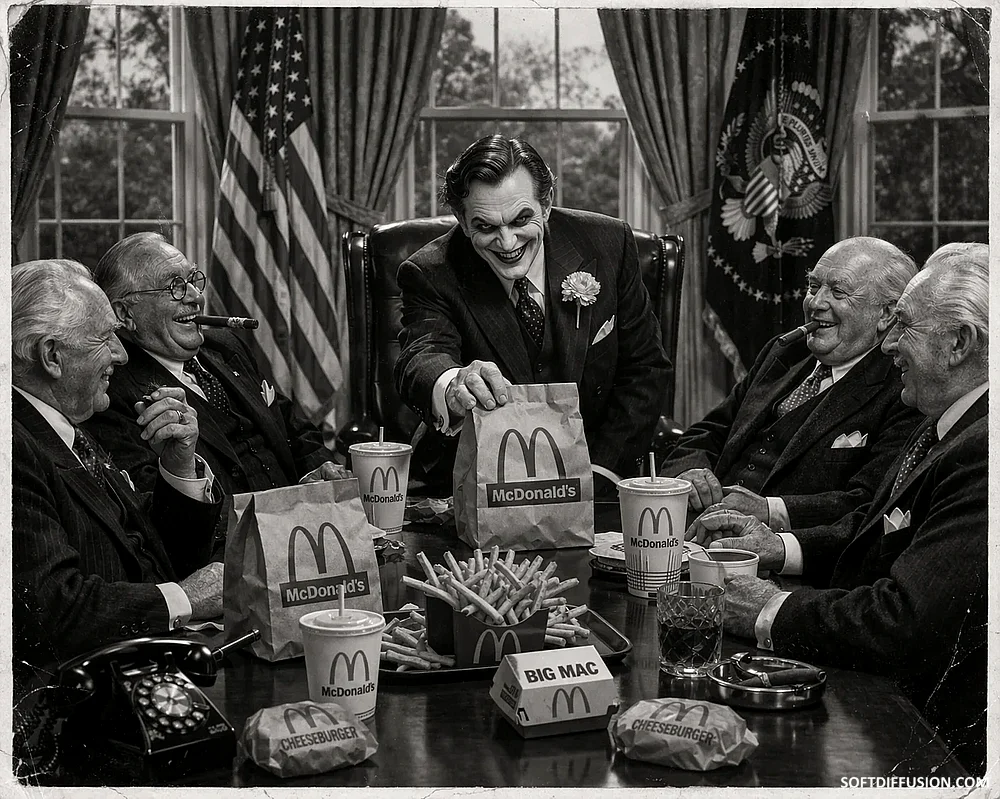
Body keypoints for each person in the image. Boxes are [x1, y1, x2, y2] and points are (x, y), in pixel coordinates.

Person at [689, 242, 988, 775]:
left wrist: (769, 609)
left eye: (904, 327)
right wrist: (778, 548)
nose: (888, 344)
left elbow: (904, 623)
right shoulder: (944, 415)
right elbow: (875, 534)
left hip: (925, 732)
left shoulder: (981, 449)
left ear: (959, 343)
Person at [394, 134, 670, 496]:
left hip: (595, 474)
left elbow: (645, 369)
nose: (507, 243)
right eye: (486, 227)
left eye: (521, 220)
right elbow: (421, 356)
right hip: (469, 486)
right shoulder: (430, 271)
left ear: (547, 204)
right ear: (462, 219)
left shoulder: (609, 243)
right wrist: (453, 385)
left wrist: (598, 475)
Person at [12, 259, 224, 670]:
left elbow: (146, 547)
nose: (122, 354)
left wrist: (179, 468)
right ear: (51, 355)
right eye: (105, 337)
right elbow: (53, 609)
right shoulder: (14, 448)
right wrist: (187, 599)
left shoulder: (66, 424)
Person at [86, 232, 349, 545]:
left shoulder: (227, 347)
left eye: (193, 280)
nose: (195, 296)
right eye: (174, 286)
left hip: (308, 534)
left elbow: (293, 427)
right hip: (230, 554)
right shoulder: (112, 394)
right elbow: (158, 513)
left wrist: (319, 474)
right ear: (125, 314)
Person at [661, 236, 922, 540]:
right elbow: (708, 432)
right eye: (813, 286)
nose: (815, 303)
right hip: (694, 532)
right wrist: (688, 475)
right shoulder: (785, 352)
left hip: (777, 553)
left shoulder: (904, 388)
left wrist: (769, 510)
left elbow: (866, 503)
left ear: (886, 314)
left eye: (838, 292)